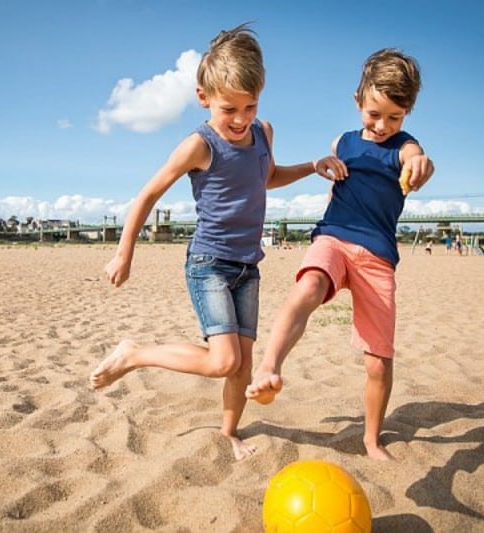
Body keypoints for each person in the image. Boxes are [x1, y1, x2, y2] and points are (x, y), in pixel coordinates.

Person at [89, 24, 336, 460]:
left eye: (250, 106)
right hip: (209, 263)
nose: (241, 119)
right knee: (223, 361)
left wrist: (312, 166)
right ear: (204, 96)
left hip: (248, 267)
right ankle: (134, 353)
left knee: (241, 364)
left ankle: (228, 434)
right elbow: (148, 194)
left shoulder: (263, 132)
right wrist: (124, 252)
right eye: (229, 109)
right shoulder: (198, 146)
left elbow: (267, 177)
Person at [245, 48, 435, 461]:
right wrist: (326, 163)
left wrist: (421, 163)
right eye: (373, 113)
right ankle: (270, 366)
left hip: (377, 256)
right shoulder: (342, 141)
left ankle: (371, 439)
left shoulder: (404, 146)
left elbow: (417, 159)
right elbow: (333, 175)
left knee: (378, 362)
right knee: (310, 285)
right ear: (358, 102)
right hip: (333, 236)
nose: (382, 125)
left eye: (394, 117)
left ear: (407, 114)